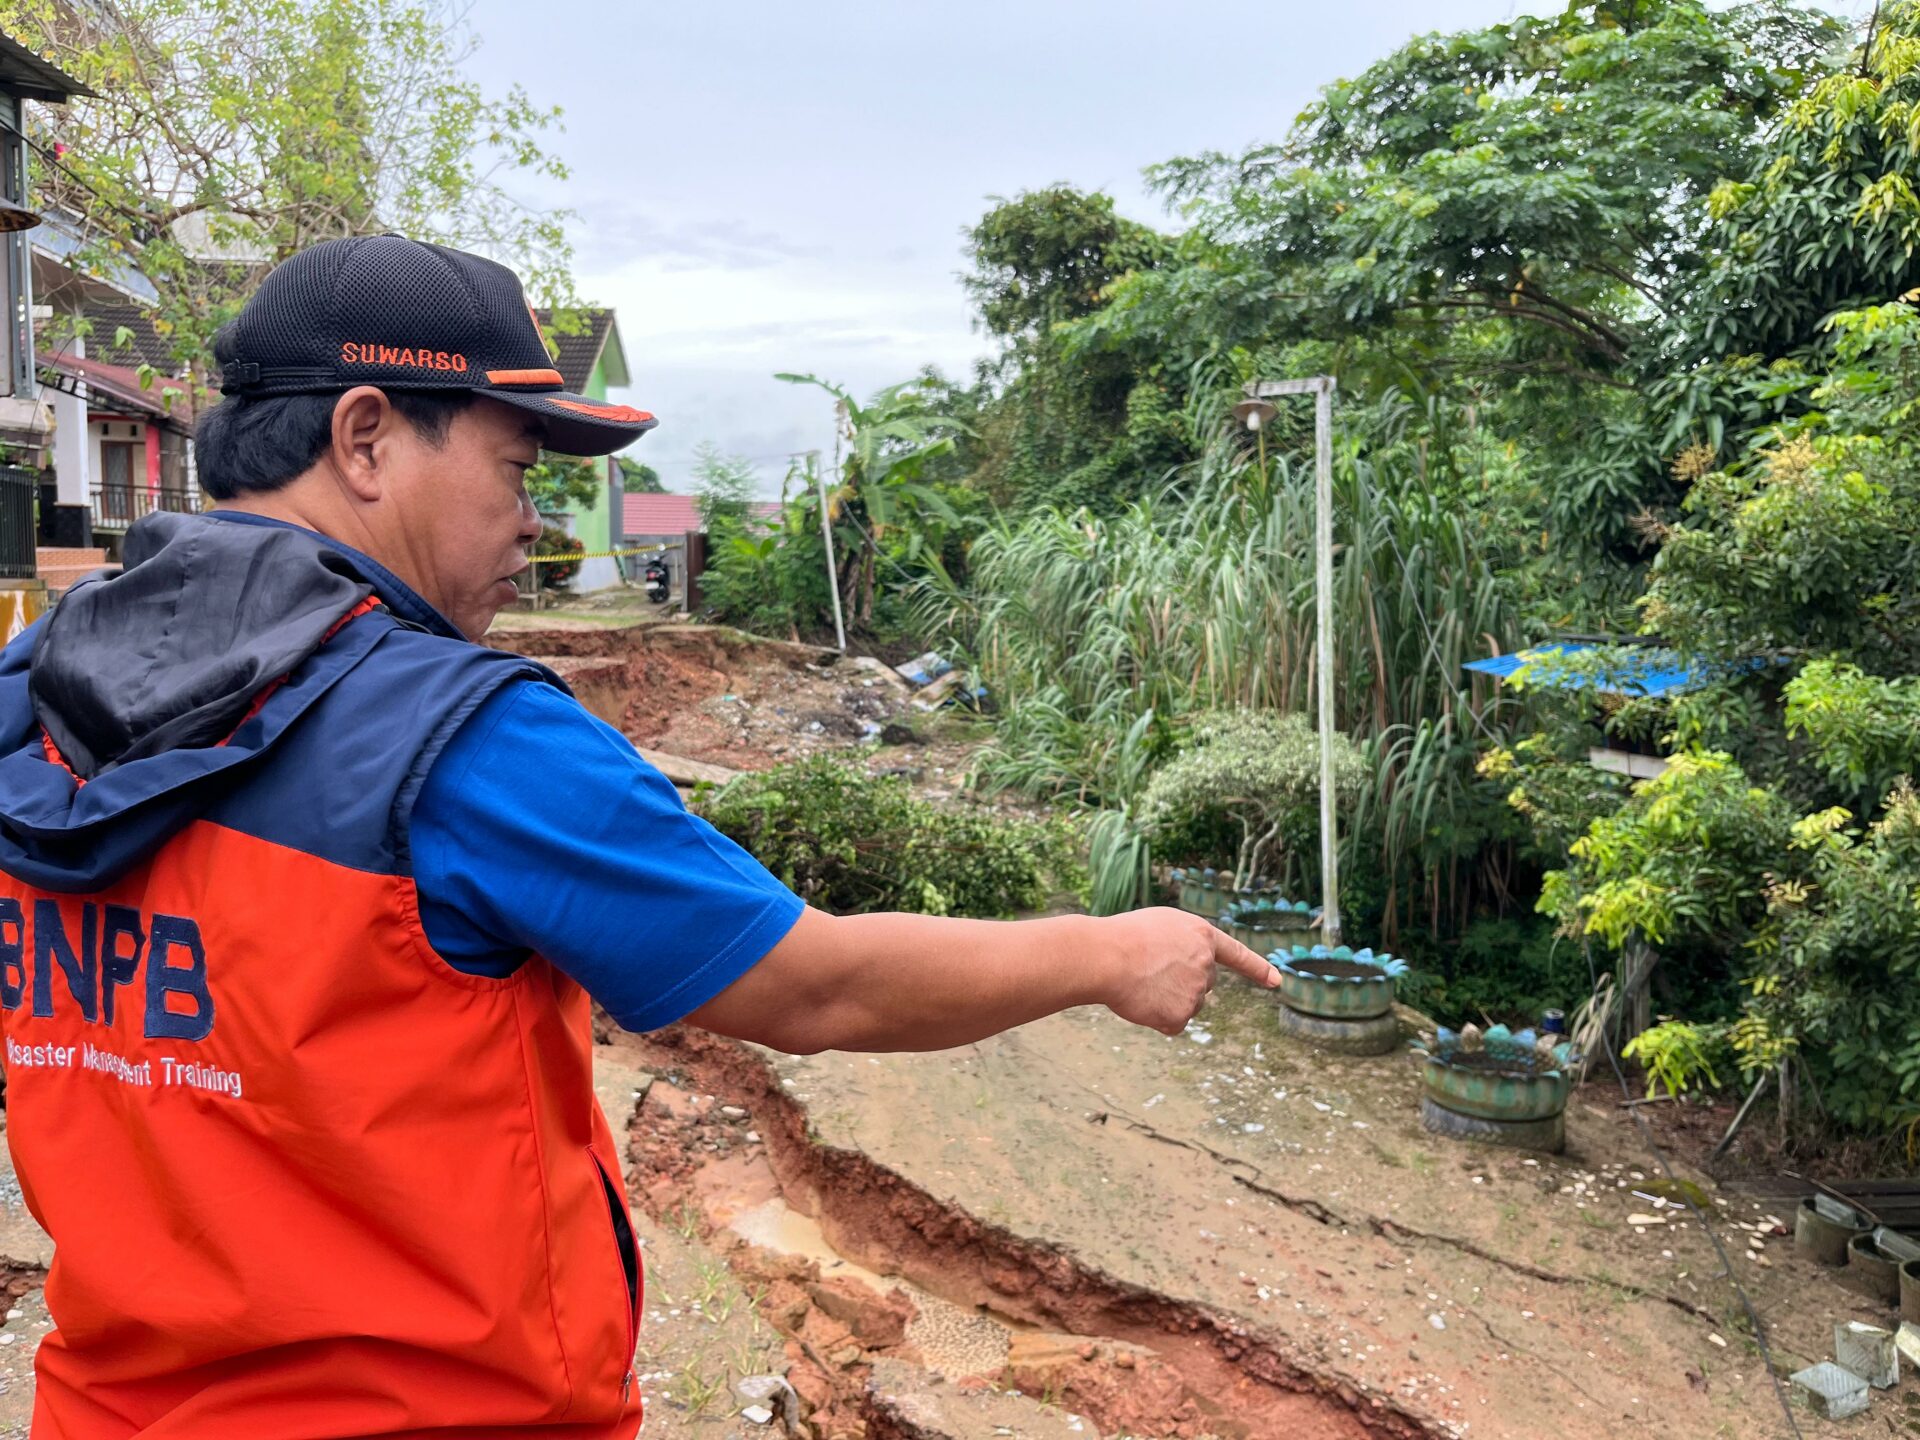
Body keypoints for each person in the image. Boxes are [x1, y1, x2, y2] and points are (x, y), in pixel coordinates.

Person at [0, 235, 1272, 1439]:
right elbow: (814, 984)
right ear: (368, 437)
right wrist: (1107, 952)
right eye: (515, 470)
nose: (535, 525)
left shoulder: (31, 687)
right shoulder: (471, 742)